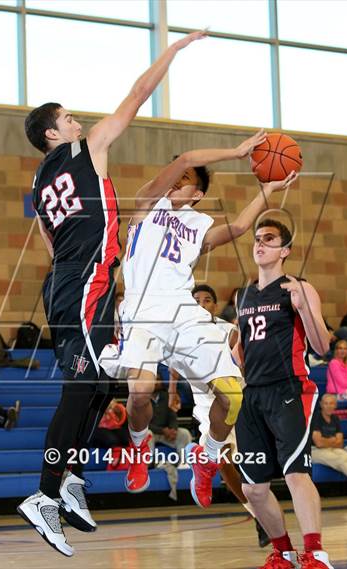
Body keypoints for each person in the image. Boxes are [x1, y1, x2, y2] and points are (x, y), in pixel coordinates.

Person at [16, 30, 207, 557]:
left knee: (100, 385)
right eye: (69, 117)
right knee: (82, 389)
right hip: (82, 282)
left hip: (79, 279)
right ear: (55, 133)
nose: (78, 121)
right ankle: (45, 493)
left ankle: (71, 475)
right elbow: (138, 94)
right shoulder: (83, 149)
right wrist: (171, 51)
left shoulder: (40, 181)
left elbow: (46, 238)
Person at [99, 132, 297, 506]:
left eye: (186, 180)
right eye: (176, 174)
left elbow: (238, 228)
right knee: (140, 393)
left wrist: (268, 189)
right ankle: (140, 449)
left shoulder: (199, 223)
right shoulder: (147, 204)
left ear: (197, 195)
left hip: (184, 313)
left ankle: (205, 458)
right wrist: (236, 153)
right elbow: (186, 156)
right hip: (142, 312)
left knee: (232, 395)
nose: (177, 179)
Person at [232, 219, 334, 569]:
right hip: (254, 395)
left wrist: (304, 309)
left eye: (269, 239)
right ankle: (284, 553)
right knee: (253, 489)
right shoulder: (243, 295)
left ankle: (316, 554)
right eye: (257, 239)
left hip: (290, 389)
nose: (260, 244)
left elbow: (322, 346)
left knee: (295, 473)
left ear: (285, 250)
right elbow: (240, 350)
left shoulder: (300, 288)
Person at [188, 283, 270, 547]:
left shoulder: (229, 330)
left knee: (250, 464)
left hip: (238, 398)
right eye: (196, 299)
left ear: (214, 305)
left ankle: (262, 512)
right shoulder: (181, 333)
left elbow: (247, 361)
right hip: (206, 405)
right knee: (223, 461)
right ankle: (258, 516)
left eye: (208, 299)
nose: (202, 303)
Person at [311, 394, 347, 495]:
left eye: (331, 403)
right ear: (321, 404)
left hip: (332, 449)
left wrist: (326, 440)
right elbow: (318, 443)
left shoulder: (335, 419)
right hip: (314, 451)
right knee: (340, 459)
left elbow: (340, 443)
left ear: (335, 405)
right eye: (326, 403)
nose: (329, 406)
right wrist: (332, 440)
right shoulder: (316, 418)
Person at [149, 375, 192, 457]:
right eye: (153, 380)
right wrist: (162, 430)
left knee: (184, 433)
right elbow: (142, 425)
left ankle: (184, 462)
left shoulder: (167, 396)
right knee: (146, 434)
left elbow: (173, 416)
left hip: (166, 433)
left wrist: (173, 430)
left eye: (158, 380)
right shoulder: (141, 398)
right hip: (152, 432)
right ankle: (147, 463)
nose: (155, 382)